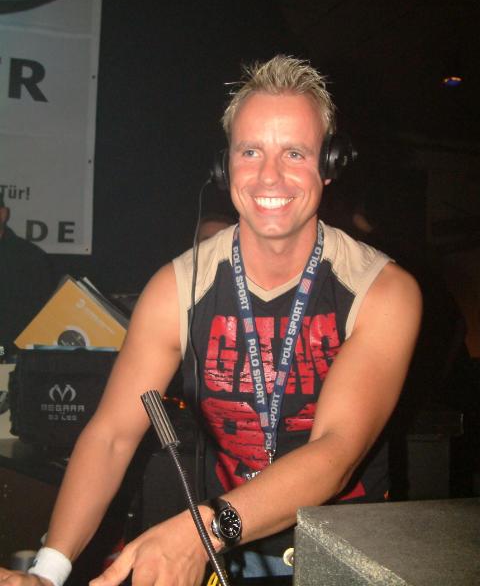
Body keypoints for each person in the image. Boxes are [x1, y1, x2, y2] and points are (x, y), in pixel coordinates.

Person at [0, 56, 421, 586]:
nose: (269, 175)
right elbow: (111, 436)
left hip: (344, 554)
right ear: (226, 167)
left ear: (330, 163)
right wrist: (48, 570)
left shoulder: (382, 291)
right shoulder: (175, 289)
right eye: (251, 152)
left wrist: (202, 530)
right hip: (228, 554)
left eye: (294, 153)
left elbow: (333, 452)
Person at [0, 194, 55, 360]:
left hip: (10, 354)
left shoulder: (30, 259)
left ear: (3, 214)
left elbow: (38, 319)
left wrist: (4, 350)